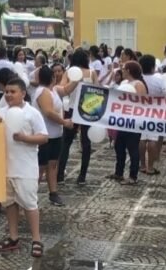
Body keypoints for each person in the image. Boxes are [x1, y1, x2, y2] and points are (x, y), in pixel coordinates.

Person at [0, 78, 48, 258]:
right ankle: (13, 237)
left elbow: (44, 137)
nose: (8, 95)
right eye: (6, 92)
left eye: (12, 91)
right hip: (5, 167)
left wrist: (25, 138)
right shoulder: (0, 112)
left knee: (30, 204)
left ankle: (36, 239)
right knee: (9, 203)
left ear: (23, 93)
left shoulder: (32, 113)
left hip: (25, 168)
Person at [55, 49, 98, 185]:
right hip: (88, 109)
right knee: (86, 143)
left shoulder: (68, 72)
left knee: (66, 143)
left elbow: (61, 88)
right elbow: (98, 91)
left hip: (72, 109)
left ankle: (60, 174)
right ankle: (82, 176)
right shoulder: (92, 73)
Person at [33, 66, 73, 206]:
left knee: (53, 164)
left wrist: (77, 78)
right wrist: (64, 122)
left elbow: (67, 89)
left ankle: (53, 193)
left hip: (56, 134)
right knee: (40, 166)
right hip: (44, 135)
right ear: (51, 77)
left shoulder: (54, 90)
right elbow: (48, 112)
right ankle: (32, 194)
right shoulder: (42, 92)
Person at [108, 61, 147, 185]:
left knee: (132, 148)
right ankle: (118, 172)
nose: (121, 71)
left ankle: (133, 176)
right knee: (119, 146)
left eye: (123, 68)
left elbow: (142, 102)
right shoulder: (125, 83)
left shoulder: (138, 84)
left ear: (129, 70)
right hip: (122, 120)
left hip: (133, 121)